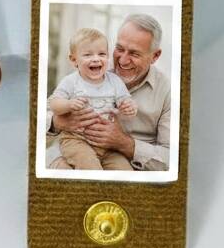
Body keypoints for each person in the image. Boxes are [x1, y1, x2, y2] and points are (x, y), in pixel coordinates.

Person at [47, 13, 171, 172]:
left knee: (125, 174)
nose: (123, 61)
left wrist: (124, 143)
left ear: (155, 56)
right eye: (119, 49)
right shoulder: (91, 69)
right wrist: (58, 122)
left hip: (121, 158)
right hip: (76, 145)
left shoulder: (167, 91)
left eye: (134, 53)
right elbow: (42, 115)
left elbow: (172, 158)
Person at [48, 27, 137, 170]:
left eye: (102, 54)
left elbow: (126, 99)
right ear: (74, 60)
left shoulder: (114, 81)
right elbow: (54, 103)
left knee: (124, 170)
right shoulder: (71, 81)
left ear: (107, 57)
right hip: (76, 140)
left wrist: (129, 106)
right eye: (88, 55)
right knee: (90, 168)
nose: (96, 58)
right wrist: (69, 104)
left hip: (107, 145)